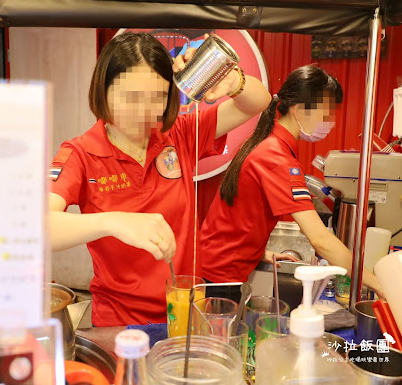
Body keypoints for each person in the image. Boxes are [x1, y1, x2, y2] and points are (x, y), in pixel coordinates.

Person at [49, 32, 271, 326]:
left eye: (157, 97)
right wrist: (113, 222)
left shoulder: (180, 134)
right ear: (103, 90)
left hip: (187, 311)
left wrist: (233, 81)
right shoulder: (80, 153)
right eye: (131, 97)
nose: (144, 111)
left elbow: (257, 103)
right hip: (120, 322)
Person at [200, 65, 384, 301]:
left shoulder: (267, 142)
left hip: (217, 265)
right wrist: (377, 283)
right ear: (299, 111)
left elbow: (238, 214)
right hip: (220, 278)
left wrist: (258, 252)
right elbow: (321, 240)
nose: (330, 122)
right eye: (325, 114)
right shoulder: (277, 158)